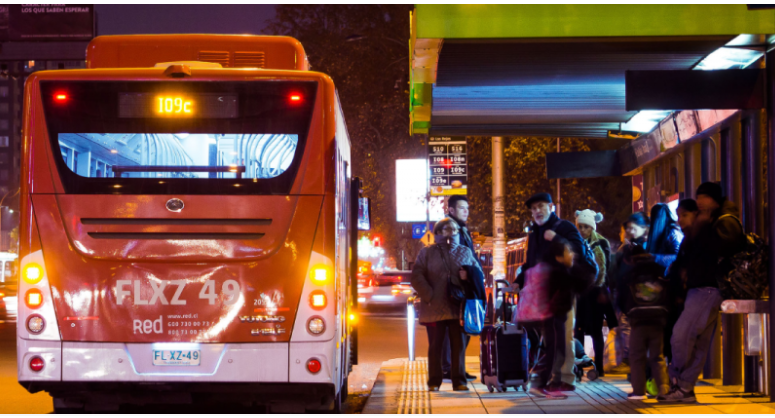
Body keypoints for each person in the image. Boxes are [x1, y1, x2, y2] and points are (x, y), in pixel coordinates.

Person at [660, 183, 746, 403]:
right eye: (698, 196)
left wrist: (702, 227)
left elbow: (719, 249)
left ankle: (677, 379)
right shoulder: (707, 221)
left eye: (704, 196)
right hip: (702, 288)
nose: (700, 200)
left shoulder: (721, 221)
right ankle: (685, 389)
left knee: (681, 335)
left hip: (708, 288)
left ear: (714, 199)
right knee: (698, 343)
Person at [516, 193, 596, 392]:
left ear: (551, 206)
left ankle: (565, 378)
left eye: (541, 206)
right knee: (550, 336)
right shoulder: (534, 233)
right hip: (542, 293)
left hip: (563, 289)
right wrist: (519, 281)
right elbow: (531, 262)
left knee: (562, 334)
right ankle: (552, 376)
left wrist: (557, 239)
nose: (537, 211)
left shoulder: (564, 227)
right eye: (533, 208)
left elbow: (577, 252)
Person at [411, 217, 483, 392]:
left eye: (454, 229)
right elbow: (416, 276)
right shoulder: (427, 253)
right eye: (447, 229)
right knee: (435, 346)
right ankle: (434, 382)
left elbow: (479, 274)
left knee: (458, 346)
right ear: (438, 232)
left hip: (458, 307)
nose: (452, 232)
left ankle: (459, 381)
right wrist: (429, 295)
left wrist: (469, 276)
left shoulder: (465, 251)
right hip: (434, 307)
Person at [621, 203, 680, 399]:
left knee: (637, 355)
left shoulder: (637, 267)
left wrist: (628, 312)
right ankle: (663, 388)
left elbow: (625, 293)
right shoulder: (658, 268)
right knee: (658, 356)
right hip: (659, 315)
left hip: (639, 317)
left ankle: (639, 390)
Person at [522, 238, 578, 399]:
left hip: (553, 317)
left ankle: (548, 385)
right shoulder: (557, 273)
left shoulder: (555, 271)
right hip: (553, 317)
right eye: (568, 252)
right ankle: (542, 385)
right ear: (559, 257)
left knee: (556, 350)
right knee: (554, 351)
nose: (572, 254)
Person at [433, 195, 479, 381]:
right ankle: (448, 368)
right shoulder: (449, 229)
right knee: (452, 329)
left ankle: (456, 367)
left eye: (467, 208)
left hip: (462, 286)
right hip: (452, 288)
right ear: (451, 210)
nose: (466, 211)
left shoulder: (462, 229)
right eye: (462, 208)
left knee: (462, 328)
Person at [573, 209, 617, 377]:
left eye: (586, 226)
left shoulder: (602, 243)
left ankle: (599, 367)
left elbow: (607, 268)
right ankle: (579, 366)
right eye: (580, 226)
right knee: (578, 330)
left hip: (597, 290)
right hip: (581, 291)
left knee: (596, 330)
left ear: (592, 227)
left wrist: (602, 288)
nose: (582, 230)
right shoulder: (575, 242)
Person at [609, 212, 649, 373]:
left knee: (627, 327)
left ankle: (628, 361)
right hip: (628, 296)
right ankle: (631, 363)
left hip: (634, 296)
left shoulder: (635, 248)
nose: (628, 232)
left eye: (633, 228)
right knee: (627, 328)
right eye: (627, 229)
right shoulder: (628, 247)